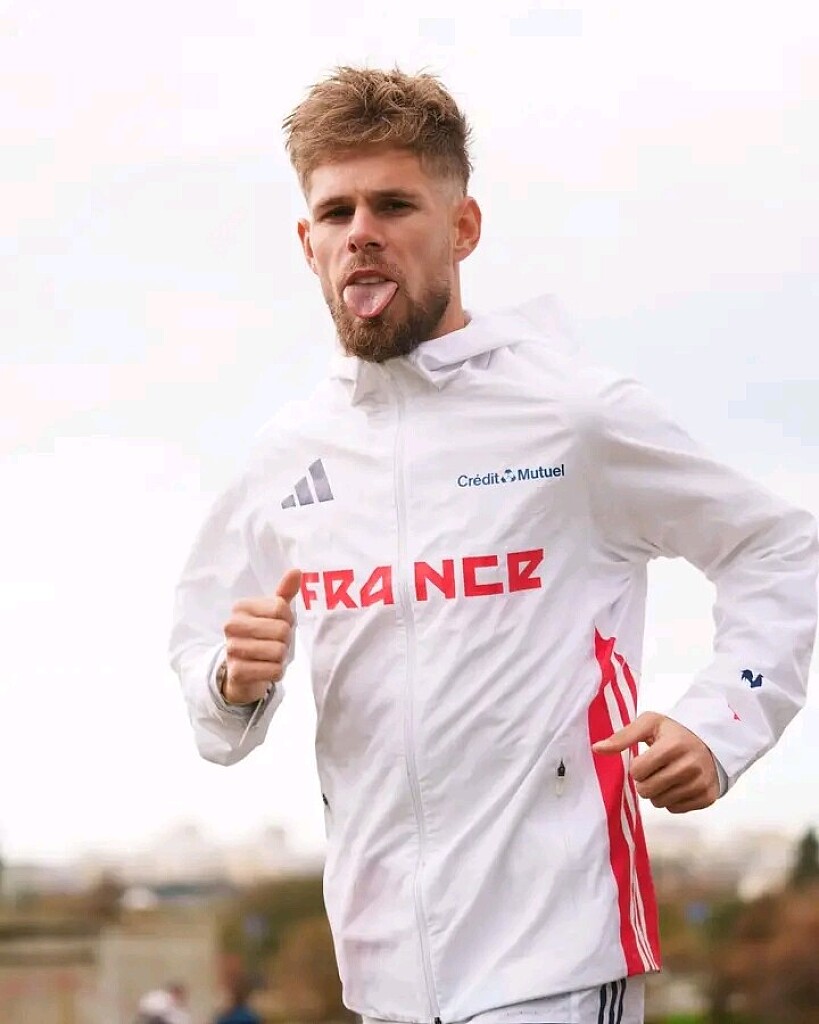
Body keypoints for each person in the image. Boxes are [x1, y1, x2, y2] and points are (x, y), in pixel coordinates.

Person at [169, 67, 818, 1024]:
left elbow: (780, 550)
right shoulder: (288, 454)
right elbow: (207, 686)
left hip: (558, 961)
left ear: (462, 227)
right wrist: (233, 679)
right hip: (380, 981)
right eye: (337, 211)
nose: (362, 232)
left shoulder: (574, 415)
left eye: (394, 204)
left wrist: (720, 722)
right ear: (308, 244)